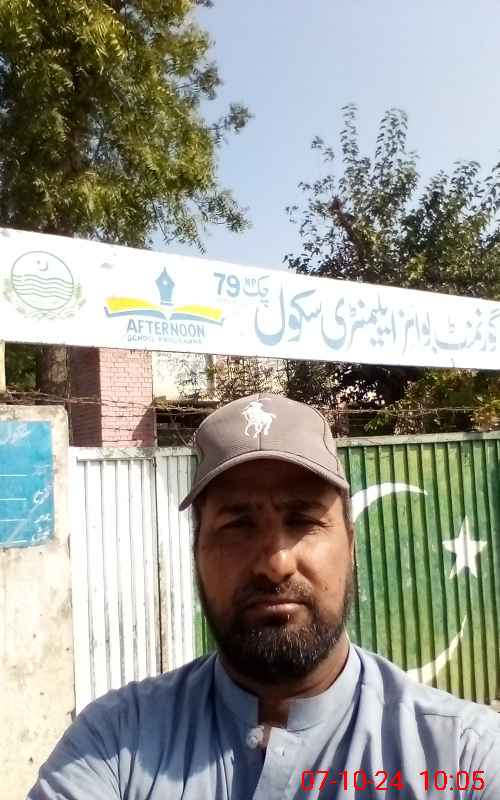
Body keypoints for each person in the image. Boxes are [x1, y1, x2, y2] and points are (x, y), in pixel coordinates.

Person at [28, 393, 500, 799]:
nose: (275, 563)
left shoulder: (463, 756)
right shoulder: (113, 746)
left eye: (303, 520)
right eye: (238, 524)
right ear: (196, 552)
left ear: (351, 545)